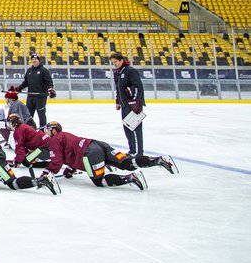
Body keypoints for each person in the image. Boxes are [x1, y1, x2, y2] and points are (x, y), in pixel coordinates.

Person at [44, 121, 176, 189]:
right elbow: (72, 152)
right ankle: (158, 160)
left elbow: (57, 161)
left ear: (54, 131)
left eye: (48, 130)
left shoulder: (54, 140)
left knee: (99, 180)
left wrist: (47, 173)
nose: (46, 132)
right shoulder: (65, 136)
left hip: (90, 155)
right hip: (100, 145)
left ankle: (130, 178)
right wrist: (71, 169)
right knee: (127, 163)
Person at [110, 51, 146, 156]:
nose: (114, 64)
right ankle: (132, 150)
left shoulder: (130, 71)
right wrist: (118, 101)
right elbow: (118, 88)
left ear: (122, 60)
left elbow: (138, 86)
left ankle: (139, 153)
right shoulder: (118, 72)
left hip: (134, 105)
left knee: (136, 129)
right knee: (127, 128)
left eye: (116, 62)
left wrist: (135, 101)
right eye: (113, 62)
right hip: (124, 105)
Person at [15, 53, 56, 127]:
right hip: (30, 97)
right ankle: (28, 130)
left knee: (41, 115)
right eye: (32, 59)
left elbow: (49, 82)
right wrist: (19, 88)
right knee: (28, 116)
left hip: (40, 97)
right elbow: (26, 82)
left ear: (39, 60)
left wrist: (50, 89)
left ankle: (42, 131)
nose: (34, 60)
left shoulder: (44, 70)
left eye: (35, 59)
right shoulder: (29, 71)